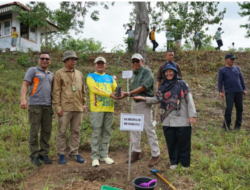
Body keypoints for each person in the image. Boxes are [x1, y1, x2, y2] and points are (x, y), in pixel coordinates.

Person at [132, 63, 197, 170]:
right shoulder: (162, 86)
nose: (169, 73)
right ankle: (174, 162)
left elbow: (189, 100)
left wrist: (192, 115)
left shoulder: (182, 84)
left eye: (171, 71)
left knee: (183, 142)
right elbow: (157, 99)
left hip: (182, 118)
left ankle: (185, 164)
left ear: (175, 72)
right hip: (167, 119)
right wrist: (144, 98)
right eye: (166, 72)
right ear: (164, 74)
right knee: (171, 142)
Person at [120, 53, 160, 167]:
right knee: (134, 127)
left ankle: (155, 153)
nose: (135, 63)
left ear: (142, 61)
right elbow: (133, 88)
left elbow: (143, 87)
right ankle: (136, 151)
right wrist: (127, 93)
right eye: (133, 61)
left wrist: (128, 93)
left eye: (137, 61)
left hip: (144, 103)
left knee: (149, 128)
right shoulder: (134, 75)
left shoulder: (146, 72)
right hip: (135, 103)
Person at [52, 50, 86, 165]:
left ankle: (74, 152)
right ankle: (61, 153)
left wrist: (84, 103)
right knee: (62, 131)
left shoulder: (79, 74)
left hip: (78, 107)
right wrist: (57, 107)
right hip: (65, 108)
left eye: (75, 59)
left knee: (76, 131)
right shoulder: (59, 73)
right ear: (66, 60)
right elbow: (56, 92)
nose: (74, 61)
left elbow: (83, 90)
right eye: (72, 59)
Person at [20, 52, 54, 166]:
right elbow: (25, 85)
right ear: (39, 60)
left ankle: (44, 153)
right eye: (42, 58)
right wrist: (23, 99)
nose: (45, 60)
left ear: (50, 61)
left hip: (48, 106)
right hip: (35, 105)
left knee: (46, 131)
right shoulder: (33, 70)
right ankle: (34, 155)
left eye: (47, 59)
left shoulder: (51, 74)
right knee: (34, 130)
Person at [86, 57, 118, 167]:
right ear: (95, 65)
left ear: (105, 65)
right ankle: (95, 157)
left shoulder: (110, 78)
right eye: (98, 63)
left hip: (109, 108)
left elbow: (115, 89)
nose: (100, 65)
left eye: (102, 63)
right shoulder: (91, 76)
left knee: (107, 132)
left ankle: (104, 155)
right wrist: (109, 94)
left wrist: (119, 93)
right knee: (96, 132)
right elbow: (94, 89)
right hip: (97, 109)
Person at [218, 53, 247, 131]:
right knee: (229, 108)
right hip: (229, 92)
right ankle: (226, 126)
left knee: (239, 108)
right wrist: (220, 91)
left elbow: (241, 79)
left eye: (234, 59)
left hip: (239, 91)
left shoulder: (237, 69)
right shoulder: (222, 70)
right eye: (231, 59)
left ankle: (238, 126)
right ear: (226, 60)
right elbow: (220, 81)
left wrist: (244, 89)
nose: (233, 61)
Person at [153, 50, 182, 123]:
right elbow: (158, 78)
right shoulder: (162, 66)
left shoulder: (176, 66)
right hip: (163, 87)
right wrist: (157, 88)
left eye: (172, 55)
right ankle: (156, 119)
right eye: (169, 55)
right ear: (166, 56)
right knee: (159, 102)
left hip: (174, 87)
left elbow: (180, 77)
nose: (171, 57)